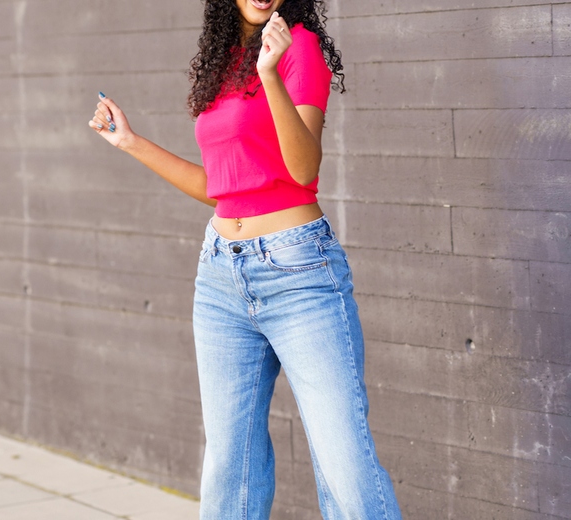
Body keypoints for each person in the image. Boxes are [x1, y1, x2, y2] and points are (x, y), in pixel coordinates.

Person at [89, 0, 402, 518]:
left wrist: (270, 75)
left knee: (345, 467)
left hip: (298, 272)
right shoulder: (223, 59)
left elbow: (303, 169)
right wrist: (131, 143)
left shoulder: (296, 47)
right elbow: (221, 188)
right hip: (220, 277)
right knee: (228, 469)